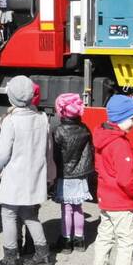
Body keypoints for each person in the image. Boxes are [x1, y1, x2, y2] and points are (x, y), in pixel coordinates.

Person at [0, 75, 57, 265]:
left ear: (11, 97)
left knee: (8, 213)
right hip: (35, 174)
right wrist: (50, 174)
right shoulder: (42, 118)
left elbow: (2, 153)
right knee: (30, 214)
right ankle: (43, 253)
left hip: (14, 176)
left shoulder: (10, 121)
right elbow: (49, 150)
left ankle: (11, 257)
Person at [92, 95, 133, 265]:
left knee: (105, 234)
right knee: (126, 240)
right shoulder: (120, 144)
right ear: (119, 119)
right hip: (120, 201)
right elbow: (126, 179)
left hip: (105, 197)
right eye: (132, 118)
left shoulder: (102, 137)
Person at [52, 92, 94, 254]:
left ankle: (65, 240)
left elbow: (55, 155)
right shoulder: (84, 129)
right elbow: (89, 151)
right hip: (81, 174)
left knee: (66, 209)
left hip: (65, 175)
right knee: (78, 208)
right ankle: (79, 240)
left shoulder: (59, 131)